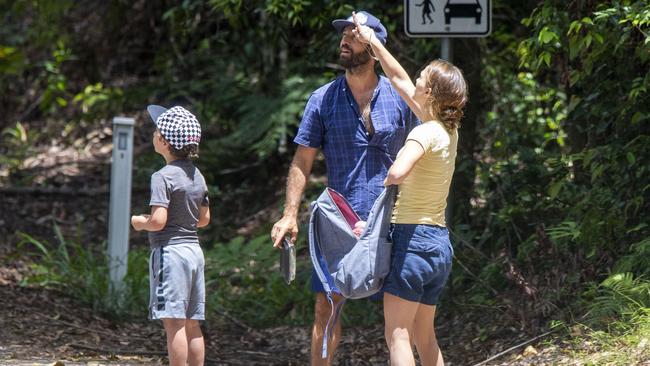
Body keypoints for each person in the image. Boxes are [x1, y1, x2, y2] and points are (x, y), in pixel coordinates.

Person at [270, 10, 418, 366]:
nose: (344, 41)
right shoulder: (322, 99)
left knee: (403, 316)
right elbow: (302, 162)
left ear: (373, 44)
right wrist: (289, 214)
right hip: (339, 221)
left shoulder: (400, 97)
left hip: (393, 219)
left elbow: (424, 151)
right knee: (326, 308)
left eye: (353, 35)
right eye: (343, 35)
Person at [354, 12, 468, 366]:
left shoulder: (422, 133)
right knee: (424, 334)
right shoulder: (446, 131)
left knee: (397, 334)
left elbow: (398, 172)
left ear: (430, 91)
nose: (415, 79)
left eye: (422, 78)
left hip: (411, 241)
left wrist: (395, 165)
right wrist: (373, 41)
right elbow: (399, 78)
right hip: (438, 245)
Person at [131, 105, 211, 366]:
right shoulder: (198, 176)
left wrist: (139, 222)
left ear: (163, 141)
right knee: (192, 323)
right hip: (194, 253)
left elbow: (157, 221)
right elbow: (204, 219)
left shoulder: (161, 177)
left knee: (173, 323)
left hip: (171, 253)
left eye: (156, 131)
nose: (154, 134)